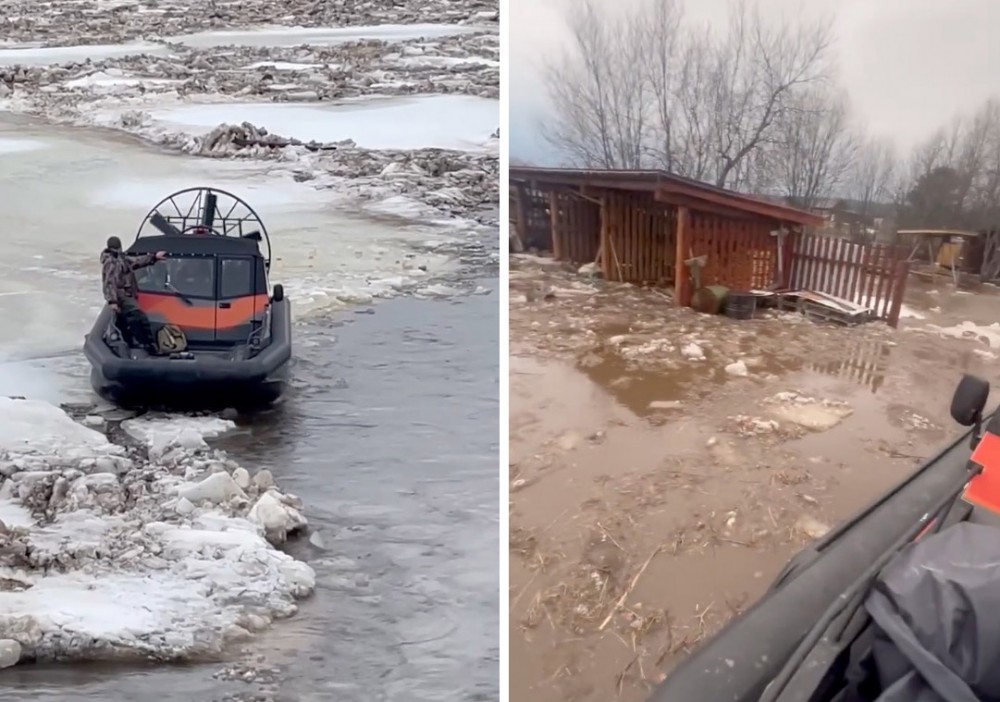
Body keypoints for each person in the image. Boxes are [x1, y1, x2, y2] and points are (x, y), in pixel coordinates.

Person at [100, 236, 166, 352]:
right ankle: (148, 345)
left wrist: (153, 257)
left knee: (128, 320)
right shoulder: (111, 261)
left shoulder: (121, 258)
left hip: (125, 294)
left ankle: (135, 342)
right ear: (119, 246)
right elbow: (110, 282)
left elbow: (137, 262)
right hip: (121, 295)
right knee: (139, 316)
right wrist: (113, 301)